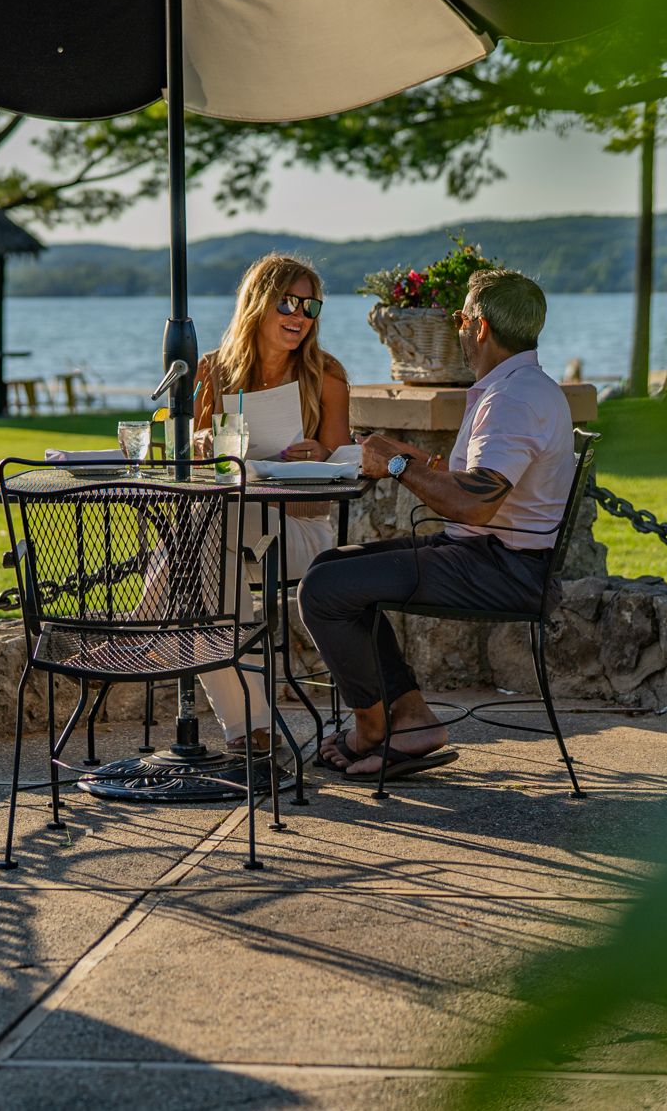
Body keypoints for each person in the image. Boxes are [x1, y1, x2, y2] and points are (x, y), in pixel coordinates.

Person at [298, 269, 574, 781]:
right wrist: (408, 455)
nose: (458, 329)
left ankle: (375, 729)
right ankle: (409, 719)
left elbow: (476, 505)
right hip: (496, 556)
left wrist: (398, 469)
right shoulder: (521, 387)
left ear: (481, 327)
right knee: (336, 568)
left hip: (503, 567)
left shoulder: (512, 400)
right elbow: (477, 482)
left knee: (324, 588)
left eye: (461, 319)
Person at [190, 254, 352, 756]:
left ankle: (145, 621)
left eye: (310, 305)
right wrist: (202, 443)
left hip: (301, 535)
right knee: (209, 552)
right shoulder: (213, 373)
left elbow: (344, 463)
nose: (300, 314)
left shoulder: (325, 374)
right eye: (288, 301)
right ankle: (251, 727)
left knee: (198, 546)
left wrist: (323, 453)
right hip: (230, 532)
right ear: (258, 304)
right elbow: (195, 465)